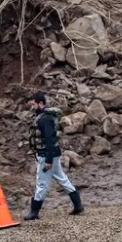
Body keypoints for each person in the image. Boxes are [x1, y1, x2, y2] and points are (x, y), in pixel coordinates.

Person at [25, 92, 83, 220]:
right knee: (62, 179)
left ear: (40, 103)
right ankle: (78, 205)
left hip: (46, 155)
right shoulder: (45, 117)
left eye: (34, 104)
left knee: (41, 183)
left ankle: (34, 212)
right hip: (51, 154)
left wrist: (49, 160)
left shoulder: (45, 119)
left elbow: (50, 140)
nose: (33, 107)